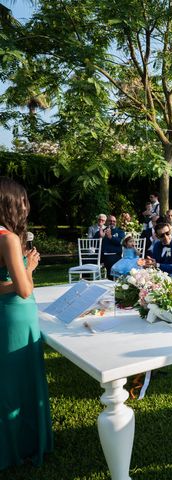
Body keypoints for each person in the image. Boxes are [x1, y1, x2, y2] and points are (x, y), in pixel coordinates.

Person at [0, 177, 53, 470]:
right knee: (21, 380)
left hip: (3, 316)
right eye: (22, 200)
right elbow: (24, 289)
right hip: (16, 316)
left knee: (6, 382)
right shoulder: (8, 238)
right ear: (11, 203)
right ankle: (24, 446)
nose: (26, 205)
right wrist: (29, 268)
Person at [93, 214, 125, 279]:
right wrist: (100, 236)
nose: (112, 222)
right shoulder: (102, 230)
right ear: (107, 222)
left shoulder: (120, 231)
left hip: (114, 255)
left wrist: (111, 237)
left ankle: (110, 281)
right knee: (86, 260)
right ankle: (85, 281)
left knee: (109, 261)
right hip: (101, 255)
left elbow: (121, 242)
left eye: (114, 221)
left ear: (116, 222)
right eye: (110, 221)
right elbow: (93, 243)